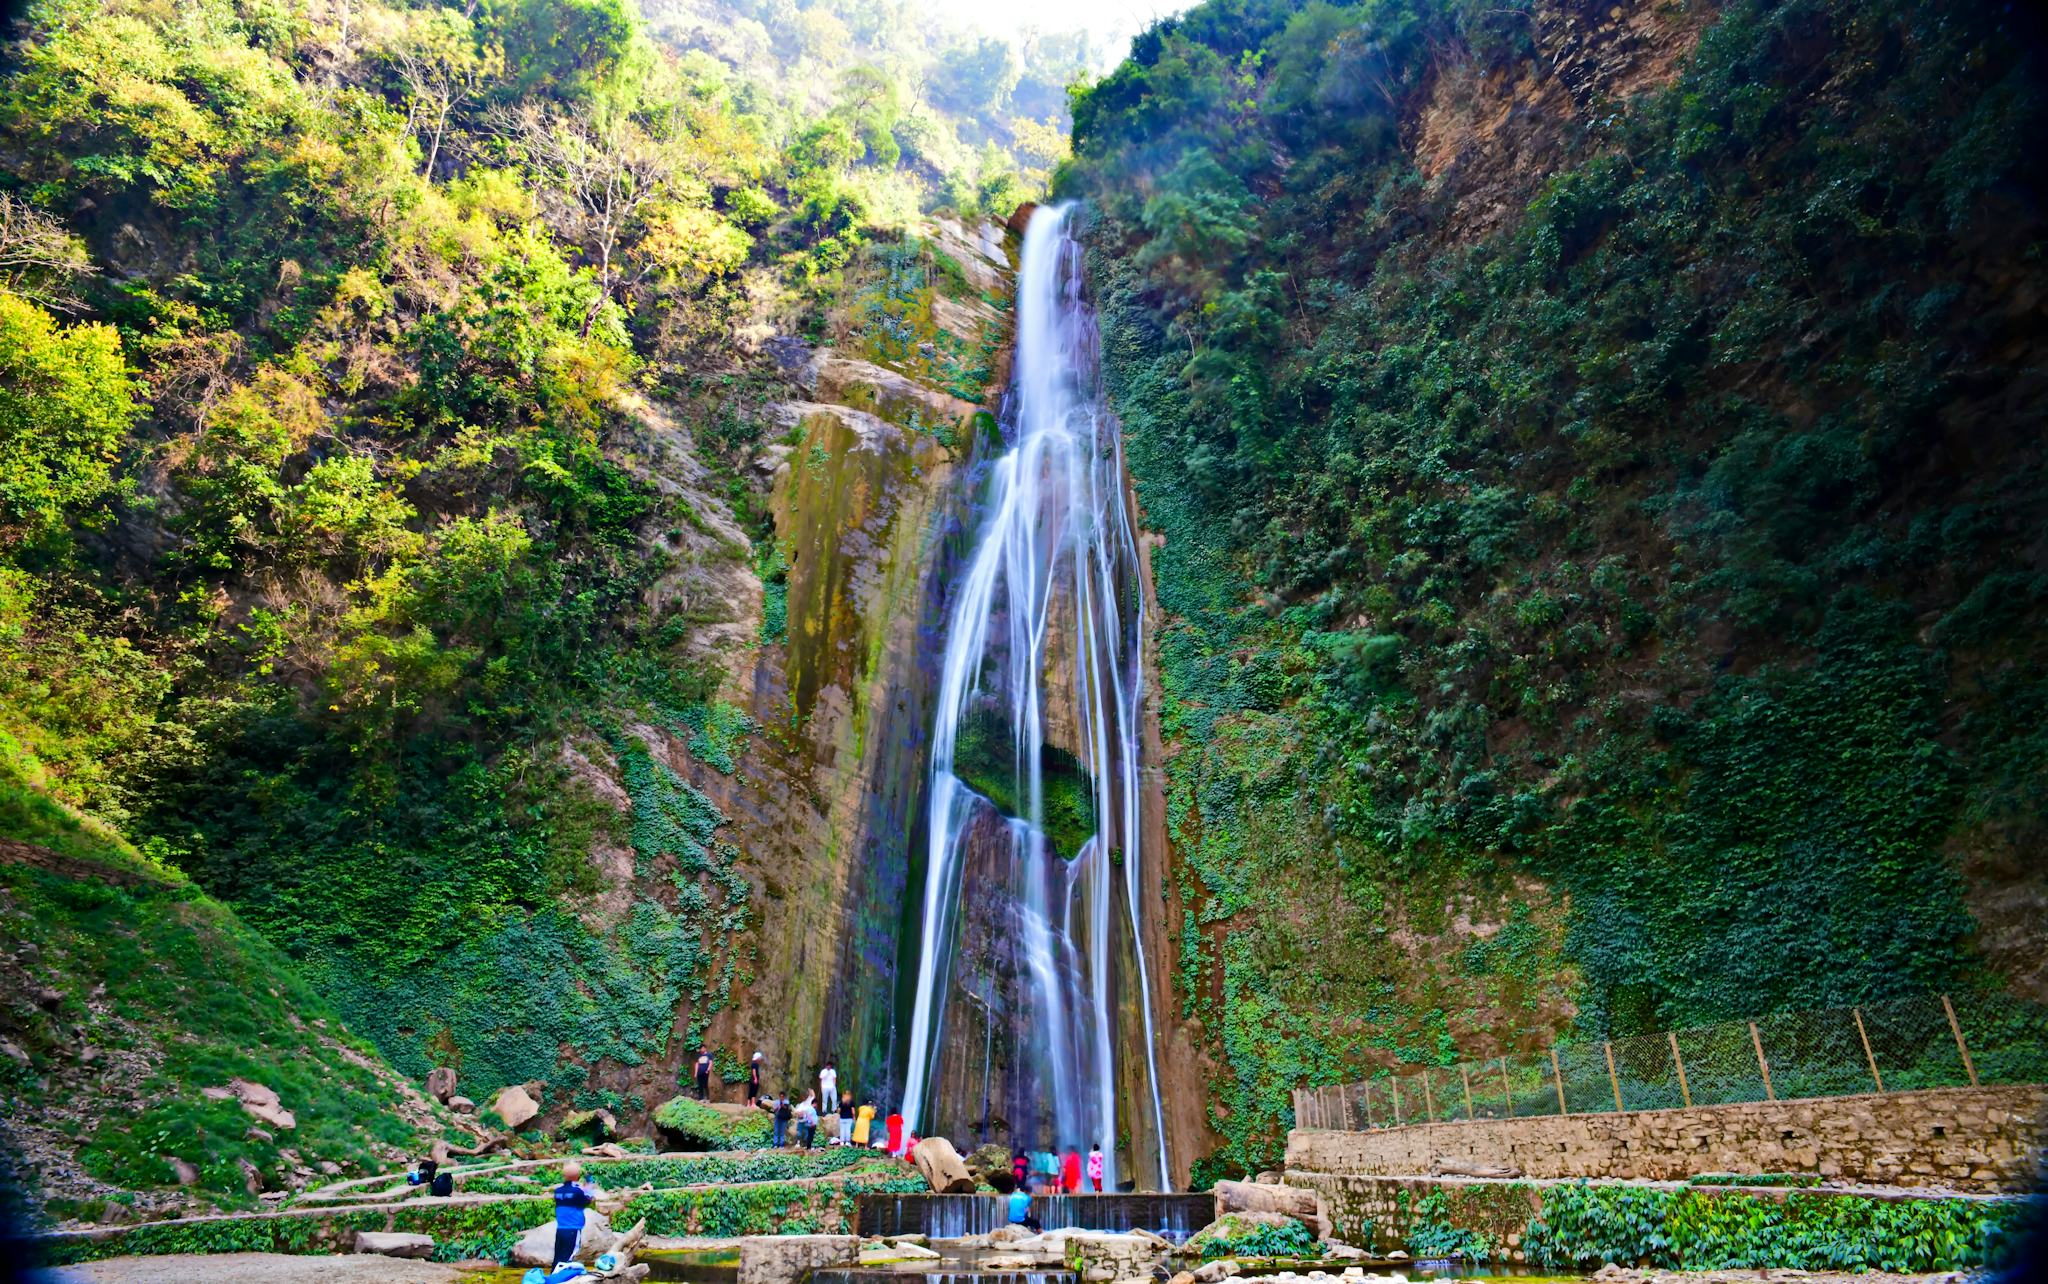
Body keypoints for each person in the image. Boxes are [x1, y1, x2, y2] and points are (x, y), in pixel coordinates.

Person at [551, 1160, 597, 1269]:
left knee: (558, 1257)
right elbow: (588, 1200)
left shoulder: (557, 1191)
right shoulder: (577, 1191)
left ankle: (553, 1276)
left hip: (561, 1229)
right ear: (577, 1176)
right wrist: (589, 1183)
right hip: (573, 1229)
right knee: (568, 1258)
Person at [819, 1059, 838, 1123]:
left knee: (834, 1099)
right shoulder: (823, 1071)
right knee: (824, 1100)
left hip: (832, 1087)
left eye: (830, 1066)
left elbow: (834, 1078)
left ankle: (834, 1110)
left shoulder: (833, 1071)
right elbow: (821, 1077)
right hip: (825, 1087)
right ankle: (824, 1111)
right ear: (826, 1066)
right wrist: (827, 1073)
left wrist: (834, 1085)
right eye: (828, 1065)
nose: (829, 1067)